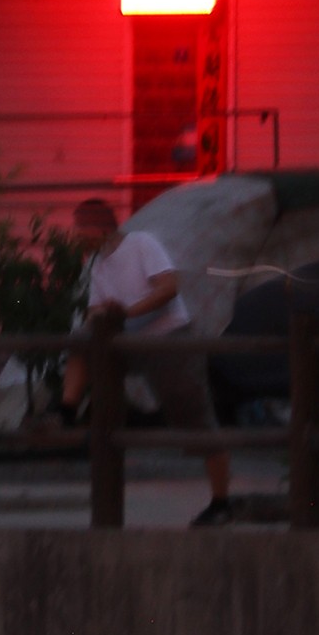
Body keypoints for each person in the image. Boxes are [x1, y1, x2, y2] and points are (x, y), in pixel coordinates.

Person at [61, 195, 233, 524]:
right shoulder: (96, 265)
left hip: (170, 340)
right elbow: (97, 310)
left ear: (98, 226)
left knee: (197, 421)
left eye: (80, 227)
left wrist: (126, 312)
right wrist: (102, 316)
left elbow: (168, 287)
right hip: (128, 341)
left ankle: (222, 501)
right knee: (81, 342)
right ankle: (67, 409)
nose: (76, 234)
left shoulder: (142, 243)